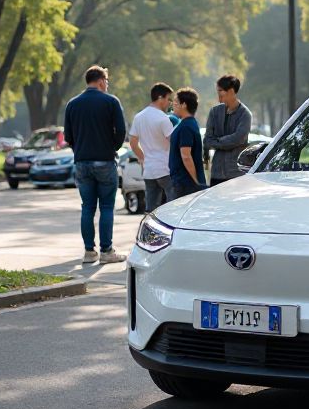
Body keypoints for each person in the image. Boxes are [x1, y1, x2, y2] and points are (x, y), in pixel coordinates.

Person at [63, 65, 127, 264]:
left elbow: (68, 136)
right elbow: (121, 131)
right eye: (106, 81)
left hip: (82, 162)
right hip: (105, 161)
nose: (107, 85)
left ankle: (89, 252)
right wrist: (112, 147)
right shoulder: (111, 101)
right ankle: (107, 251)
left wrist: (79, 150)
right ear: (100, 81)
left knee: (87, 207)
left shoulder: (72, 104)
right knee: (107, 206)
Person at [129, 83, 176, 212]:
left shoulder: (139, 117)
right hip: (165, 169)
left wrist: (143, 158)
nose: (169, 103)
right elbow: (174, 143)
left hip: (149, 170)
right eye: (168, 99)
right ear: (160, 98)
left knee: (151, 210)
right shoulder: (163, 118)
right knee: (173, 208)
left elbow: (133, 143)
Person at [203, 74, 252, 186]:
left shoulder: (245, 115)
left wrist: (217, 142)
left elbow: (238, 139)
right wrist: (224, 142)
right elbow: (207, 141)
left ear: (231, 91)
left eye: (220, 91)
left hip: (236, 174)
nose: (218, 95)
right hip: (216, 173)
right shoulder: (214, 112)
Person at [169, 87, 207, 198]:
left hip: (186, 183)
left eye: (176, 103)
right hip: (183, 181)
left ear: (184, 105)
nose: (173, 106)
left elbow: (186, 155)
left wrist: (196, 181)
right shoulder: (187, 124)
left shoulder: (186, 126)